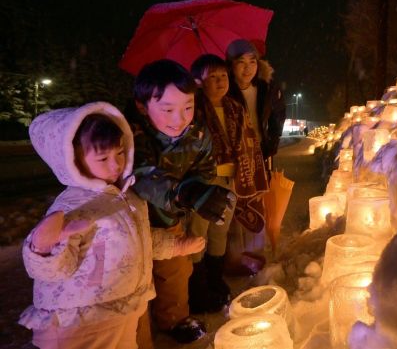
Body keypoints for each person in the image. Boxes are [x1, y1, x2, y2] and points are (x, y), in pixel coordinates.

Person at [19, 102, 205, 349]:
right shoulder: (74, 205)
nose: (115, 164)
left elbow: (139, 240)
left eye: (119, 153)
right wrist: (43, 246)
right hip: (82, 322)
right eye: (102, 158)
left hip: (118, 310)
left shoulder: (126, 195)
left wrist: (176, 245)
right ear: (72, 158)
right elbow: (52, 270)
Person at [125, 59, 236, 344]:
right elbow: (143, 176)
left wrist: (201, 190)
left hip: (171, 219)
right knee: (131, 279)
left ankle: (173, 318)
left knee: (175, 269)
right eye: (167, 110)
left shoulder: (198, 132)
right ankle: (132, 331)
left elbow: (205, 168)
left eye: (188, 107)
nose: (180, 118)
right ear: (141, 106)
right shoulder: (129, 135)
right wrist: (183, 193)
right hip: (131, 223)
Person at [187, 54, 268, 312]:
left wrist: (249, 173)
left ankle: (215, 279)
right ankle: (197, 288)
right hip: (203, 179)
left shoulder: (234, 107)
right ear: (199, 81)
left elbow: (248, 140)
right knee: (198, 232)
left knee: (220, 230)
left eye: (223, 76)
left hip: (231, 177)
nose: (220, 81)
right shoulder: (192, 109)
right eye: (213, 77)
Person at [225, 39, 286, 272]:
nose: (247, 68)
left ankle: (255, 258)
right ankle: (233, 260)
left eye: (252, 61)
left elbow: (278, 115)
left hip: (260, 154)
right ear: (230, 65)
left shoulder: (265, 88)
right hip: (235, 157)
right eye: (241, 62)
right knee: (235, 207)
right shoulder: (225, 91)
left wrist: (272, 141)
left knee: (257, 205)